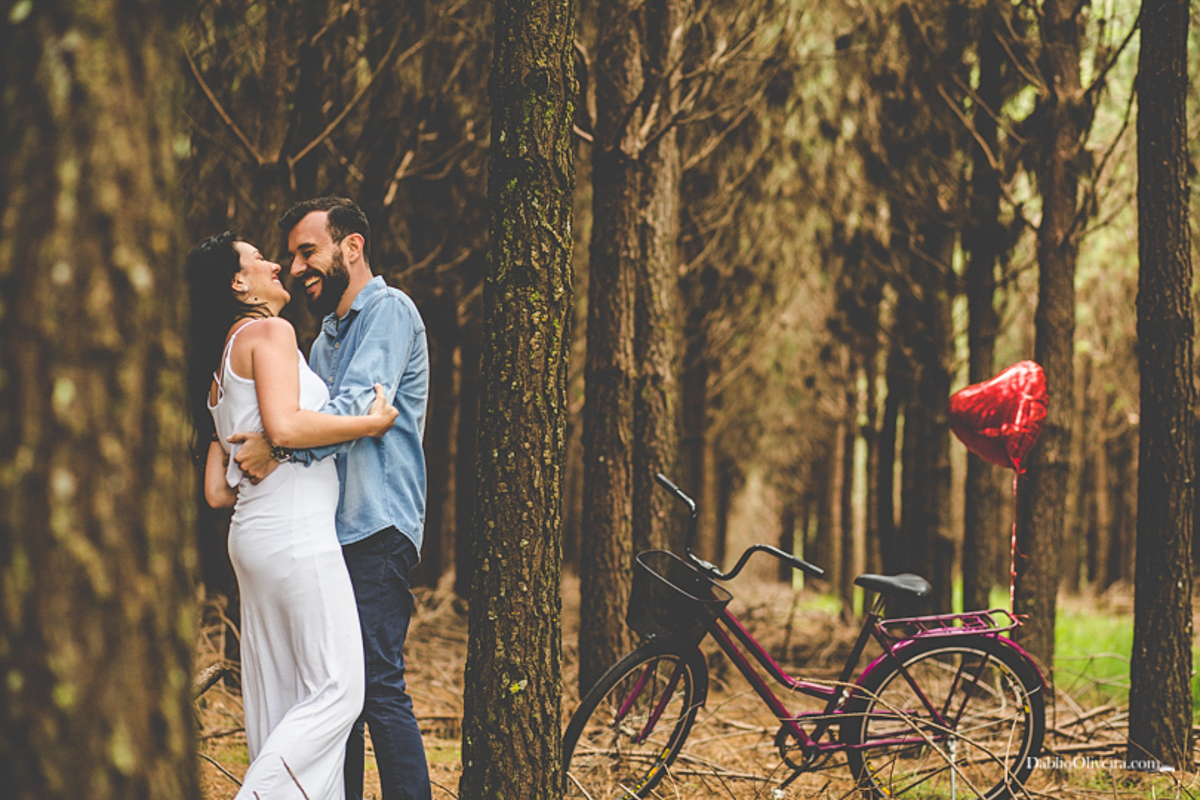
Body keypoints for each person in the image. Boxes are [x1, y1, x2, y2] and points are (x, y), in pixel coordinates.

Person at [232, 197, 432, 800]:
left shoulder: (390, 312)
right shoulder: (321, 343)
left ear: (352, 247)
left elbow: (353, 410)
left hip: (377, 525)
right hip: (325, 534)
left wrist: (278, 442)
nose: (296, 267)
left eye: (307, 251)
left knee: (375, 686)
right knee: (329, 692)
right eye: (292, 256)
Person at [186, 232, 398, 799]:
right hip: (296, 534)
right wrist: (369, 425)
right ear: (238, 283)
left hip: (254, 538)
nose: (275, 264)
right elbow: (284, 429)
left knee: (284, 701)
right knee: (339, 691)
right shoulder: (269, 332)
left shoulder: (218, 364)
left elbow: (216, 490)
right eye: (259, 260)